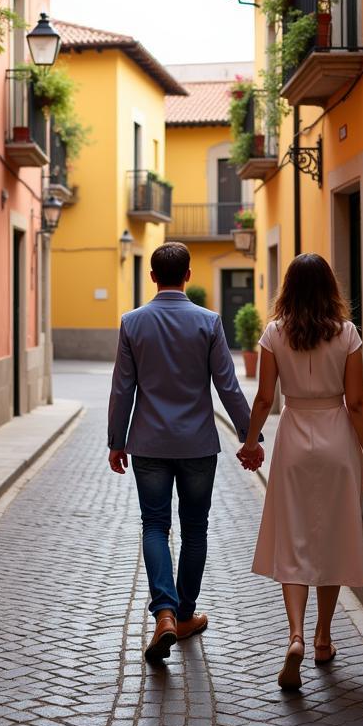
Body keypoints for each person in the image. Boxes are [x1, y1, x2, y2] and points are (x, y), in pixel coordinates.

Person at [238, 253, 363, 691]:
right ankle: (324, 638)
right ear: (329, 288)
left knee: (295, 537)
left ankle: (297, 635)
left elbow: (265, 399)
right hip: (337, 441)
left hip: (293, 441)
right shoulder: (347, 334)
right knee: (334, 539)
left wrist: (250, 443)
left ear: (288, 288)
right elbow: (357, 403)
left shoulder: (274, 334)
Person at [108, 241, 261, 663]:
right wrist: (250, 436)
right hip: (197, 444)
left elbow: (123, 387)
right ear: (189, 276)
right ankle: (186, 612)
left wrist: (115, 441)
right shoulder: (209, 322)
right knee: (195, 528)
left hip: (149, 444)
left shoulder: (132, 323)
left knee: (155, 526)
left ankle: (166, 615)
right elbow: (227, 385)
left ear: (153, 277)